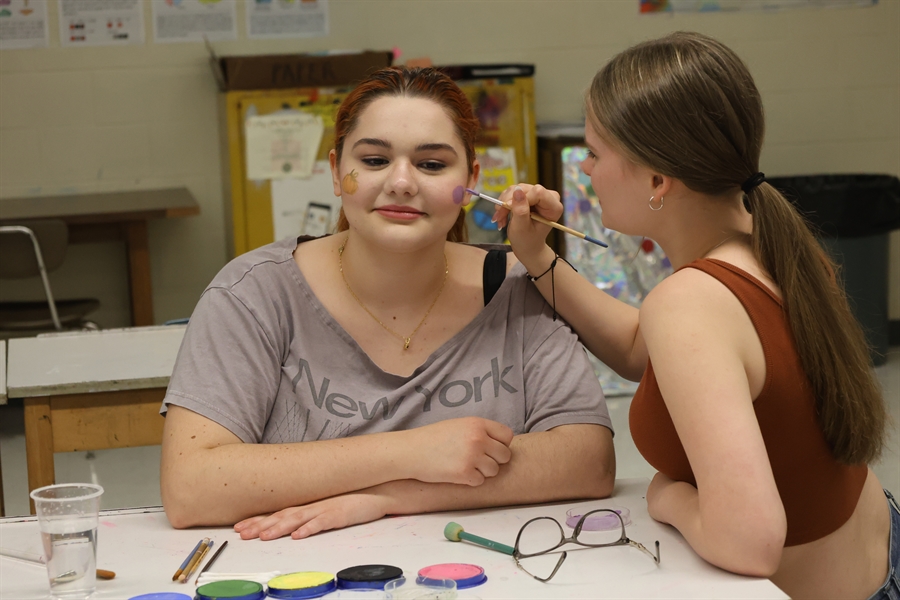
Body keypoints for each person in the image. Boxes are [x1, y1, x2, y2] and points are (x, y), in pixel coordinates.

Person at [496, 32, 894, 600]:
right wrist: (535, 255)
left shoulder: (690, 305)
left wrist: (671, 497)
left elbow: (748, 542)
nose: (584, 171)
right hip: (880, 552)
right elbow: (643, 349)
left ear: (659, 181)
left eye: (595, 154)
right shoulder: (775, 246)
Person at [160, 66, 615, 542]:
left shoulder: (520, 288)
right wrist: (412, 452)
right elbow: (191, 487)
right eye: (375, 160)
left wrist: (390, 496)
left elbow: (588, 461)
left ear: (472, 180)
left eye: (432, 165)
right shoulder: (253, 293)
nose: (401, 182)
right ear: (337, 172)